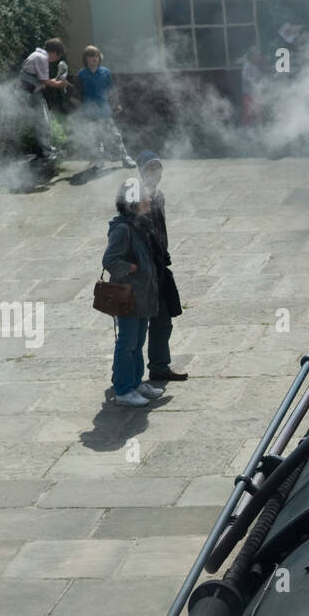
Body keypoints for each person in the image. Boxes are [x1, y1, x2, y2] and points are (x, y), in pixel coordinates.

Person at [102, 178, 162, 407]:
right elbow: (110, 260)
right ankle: (124, 389)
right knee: (127, 344)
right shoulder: (123, 229)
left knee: (137, 343)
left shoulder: (139, 224)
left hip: (142, 296)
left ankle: (136, 382)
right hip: (128, 297)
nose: (149, 199)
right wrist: (131, 268)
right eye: (145, 196)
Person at [134, 150, 186, 385]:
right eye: (151, 169)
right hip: (144, 270)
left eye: (158, 168)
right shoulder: (137, 197)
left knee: (163, 320)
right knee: (136, 328)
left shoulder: (159, 195)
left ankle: (159, 367)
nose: (156, 173)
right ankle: (127, 378)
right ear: (142, 171)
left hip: (159, 265)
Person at [74, 45, 136, 169]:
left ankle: (125, 159)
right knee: (96, 139)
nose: (94, 59)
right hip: (90, 113)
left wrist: (116, 104)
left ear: (99, 58)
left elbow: (112, 90)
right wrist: (79, 110)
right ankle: (99, 161)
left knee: (115, 137)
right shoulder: (81, 74)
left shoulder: (105, 72)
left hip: (104, 111)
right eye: (91, 56)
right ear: (85, 59)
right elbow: (77, 94)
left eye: (96, 56)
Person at [18, 38, 69, 162]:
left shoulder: (36, 55)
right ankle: (46, 152)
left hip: (30, 92)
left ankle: (45, 149)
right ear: (54, 52)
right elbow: (44, 81)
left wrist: (56, 82)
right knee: (43, 122)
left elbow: (42, 80)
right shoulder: (42, 58)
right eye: (57, 57)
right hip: (31, 94)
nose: (55, 60)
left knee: (42, 121)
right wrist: (59, 85)